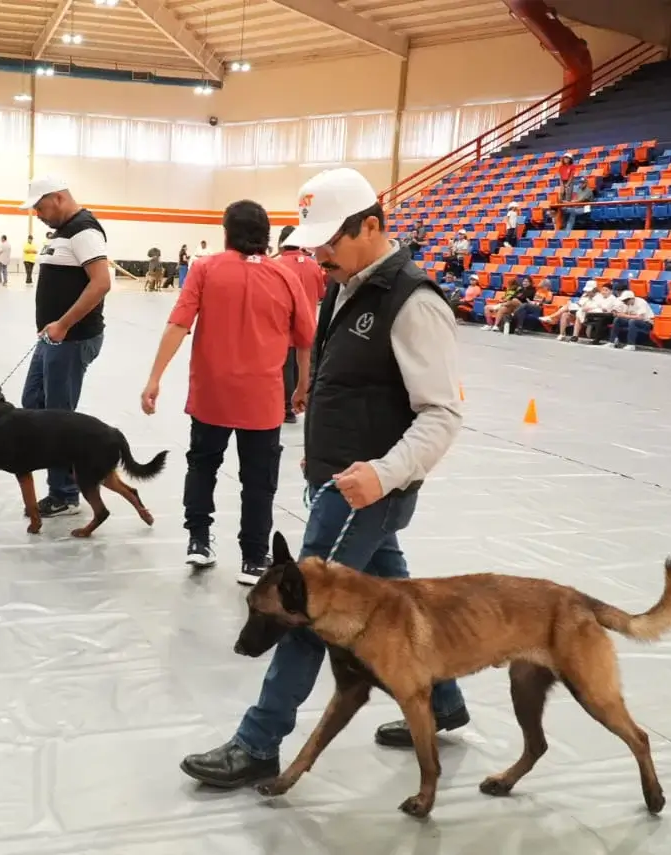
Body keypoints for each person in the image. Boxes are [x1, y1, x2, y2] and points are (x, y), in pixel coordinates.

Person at [179, 167, 470, 790]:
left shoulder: (413, 303)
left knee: (304, 608)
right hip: (344, 483)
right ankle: (444, 700)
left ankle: (258, 742)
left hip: (365, 492)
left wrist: (384, 474)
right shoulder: (346, 286)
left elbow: (442, 414)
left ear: (372, 226)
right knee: (394, 587)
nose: (320, 255)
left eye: (330, 242)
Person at [141, 201, 315, 581]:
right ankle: (253, 558)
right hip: (262, 400)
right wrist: (303, 384)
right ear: (266, 235)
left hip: (211, 396)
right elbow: (305, 339)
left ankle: (199, 541)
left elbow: (179, 324)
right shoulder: (285, 276)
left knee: (202, 465)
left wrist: (155, 377)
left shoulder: (205, 269)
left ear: (226, 233)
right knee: (259, 480)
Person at [18, 176, 111, 517]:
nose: (38, 214)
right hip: (53, 337)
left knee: (58, 418)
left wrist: (64, 324)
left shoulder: (84, 230)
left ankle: (65, 493)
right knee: (34, 403)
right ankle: (62, 482)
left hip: (72, 338)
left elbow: (101, 283)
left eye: (40, 207)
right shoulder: (62, 232)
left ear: (57, 198)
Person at [274, 225, 326, 424]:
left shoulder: (278, 265)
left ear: (282, 243)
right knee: (303, 365)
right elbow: (321, 294)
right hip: (309, 322)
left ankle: (286, 408)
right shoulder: (313, 265)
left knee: (286, 366)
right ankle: (300, 401)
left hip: (284, 325)